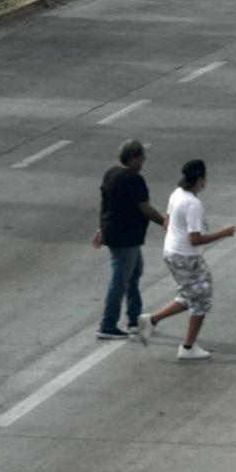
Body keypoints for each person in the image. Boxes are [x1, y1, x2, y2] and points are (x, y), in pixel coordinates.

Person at [138, 159, 234, 360]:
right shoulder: (193, 203)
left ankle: (152, 320)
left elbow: (167, 223)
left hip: (172, 252)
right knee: (202, 298)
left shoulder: (177, 194)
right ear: (200, 179)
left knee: (191, 293)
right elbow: (195, 239)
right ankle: (188, 347)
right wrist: (224, 233)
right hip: (186, 256)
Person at [93, 139, 167, 340]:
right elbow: (145, 207)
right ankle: (107, 324)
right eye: (142, 156)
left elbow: (104, 204)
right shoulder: (133, 179)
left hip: (116, 233)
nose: (144, 160)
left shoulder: (111, 173)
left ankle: (134, 320)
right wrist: (164, 222)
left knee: (134, 273)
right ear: (134, 157)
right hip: (126, 237)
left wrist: (101, 227)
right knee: (120, 280)